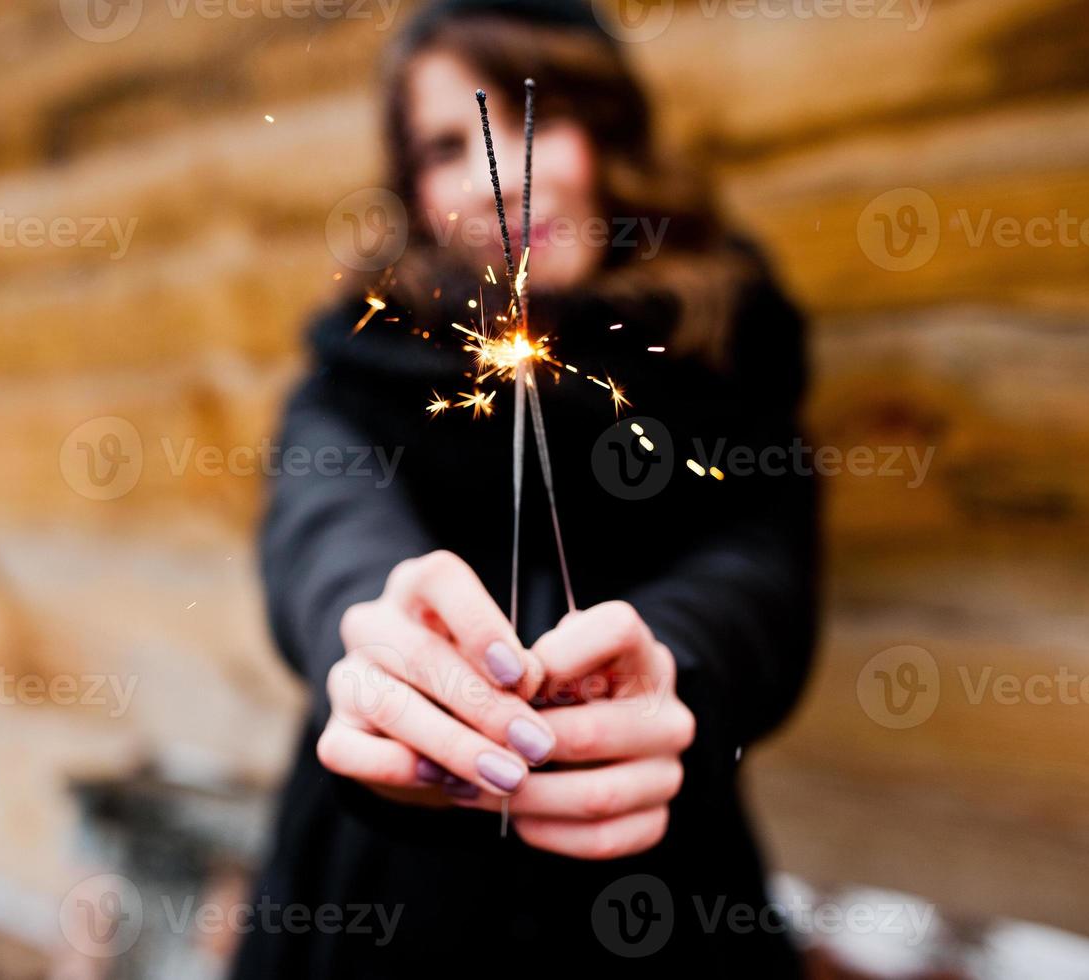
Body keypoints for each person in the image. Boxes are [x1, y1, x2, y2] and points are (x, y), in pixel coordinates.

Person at [234, 0, 818, 975]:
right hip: (377, 896)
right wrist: (381, 629)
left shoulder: (729, 355)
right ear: (413, 187)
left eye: (533, 121)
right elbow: (323, 522)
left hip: (658, 879)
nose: (501, 181)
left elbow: (761, 563)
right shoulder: (359, 368)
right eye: (448, 144)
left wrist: (673, 664)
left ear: (609, 128)